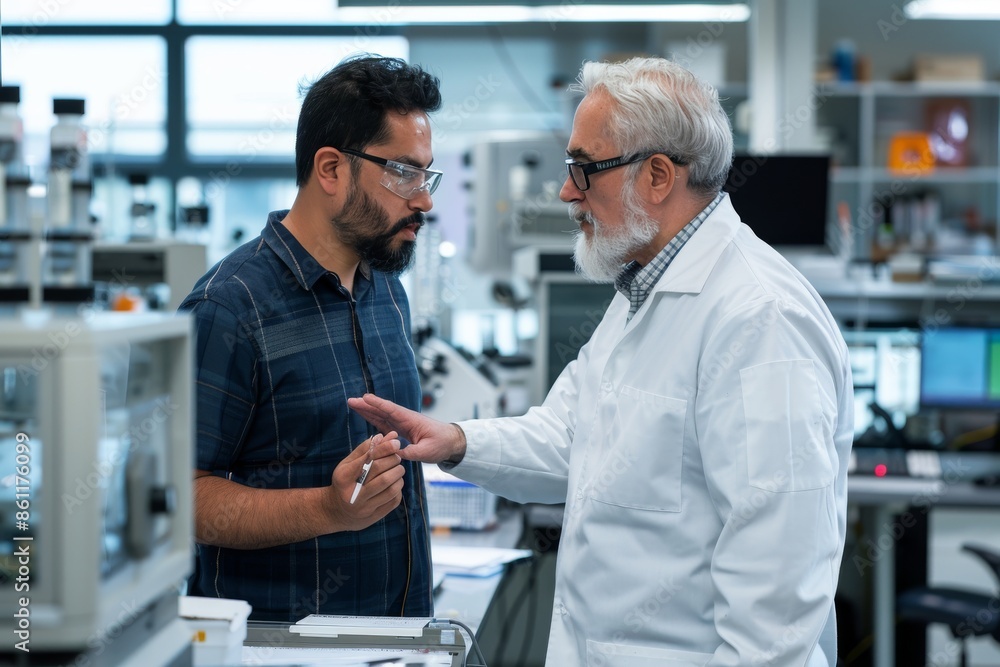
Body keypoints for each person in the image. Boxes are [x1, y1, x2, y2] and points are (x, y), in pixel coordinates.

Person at [349, 56, 854, 665]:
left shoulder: (759, 322)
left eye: (584, 170)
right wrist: (455, 441)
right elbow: (571, 436)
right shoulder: (641, 294)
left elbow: (776, 611)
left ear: (658, 177)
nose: (566, 192)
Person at [179, 54, 443, 622]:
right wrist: (327, 508)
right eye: (403, 172)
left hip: (397, 636)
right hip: (278, 649)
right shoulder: (229, 308)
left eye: (427, 175)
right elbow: (181, 498)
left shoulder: (385, 291)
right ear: (330, 169)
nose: (424, 199)